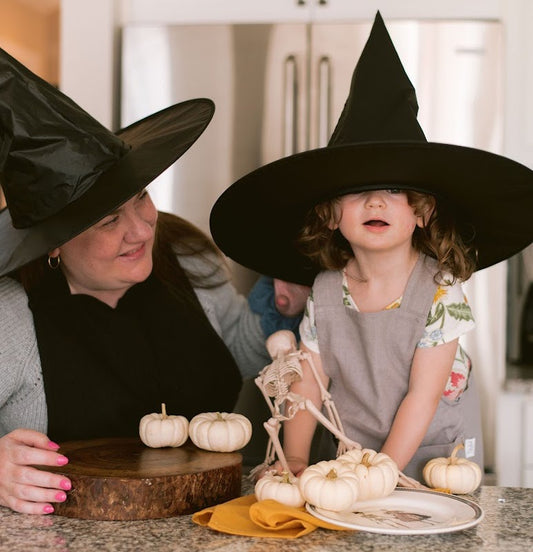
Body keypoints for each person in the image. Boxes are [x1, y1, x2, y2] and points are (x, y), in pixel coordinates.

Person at [209, 12, 533, 482]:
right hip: (347, 461)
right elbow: (309, 384)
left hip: (430, 465)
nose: (376, 200)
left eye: (395, 191)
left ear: (422, 212)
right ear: (331, 214)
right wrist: (296, 459)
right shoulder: (324, 291)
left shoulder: (442, 294)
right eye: (358, 190)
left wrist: (379, 474)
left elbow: (422, 397)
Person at [0, 48, 308, 515]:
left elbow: (239, 351)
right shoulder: (10, 318)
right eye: (108, 220)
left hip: (215, 525)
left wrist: (284, 302)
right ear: (53, 243)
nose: (143, 229)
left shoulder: (183, 254)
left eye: (140, 195)